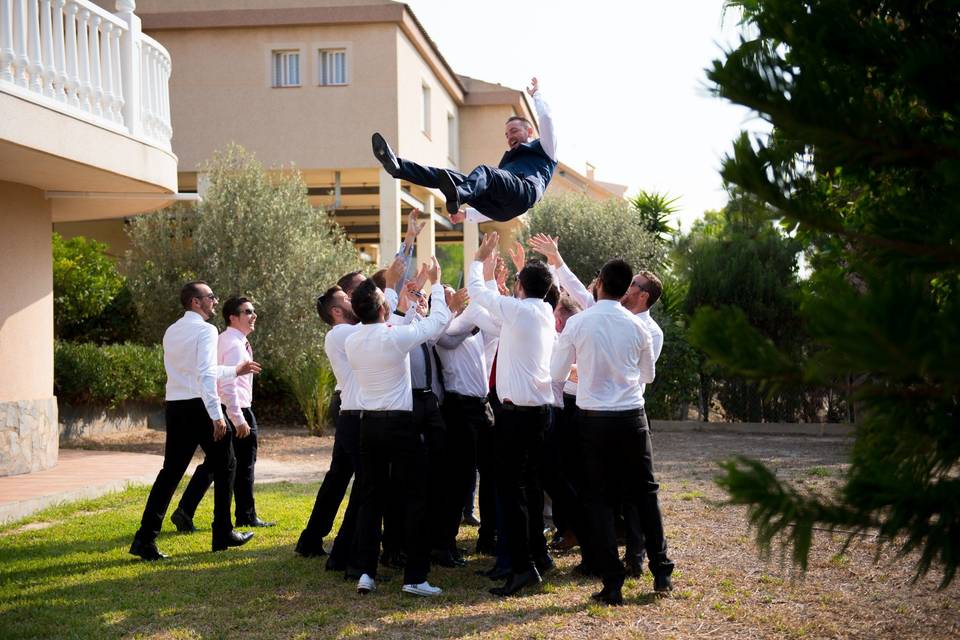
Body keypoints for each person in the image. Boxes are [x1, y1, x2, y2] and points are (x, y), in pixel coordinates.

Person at [551, 259, 674, 606]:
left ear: (601, 282)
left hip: (594, 419)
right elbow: (647, 375)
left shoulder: (579, 323)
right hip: (632, 417)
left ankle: (612, 580)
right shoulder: (640, 328)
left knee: (599, 499)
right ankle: (662, 569)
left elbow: (557, 371)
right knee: (646, 493)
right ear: (625, 289)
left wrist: (585, 370)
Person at [129, 281, 261, 560]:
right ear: (194, 302)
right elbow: (204, 375)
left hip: (176, 406)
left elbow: (201, 370)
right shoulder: (206, 330)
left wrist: (235, 370)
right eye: (210, 297)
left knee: (170, 473)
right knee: (227, 464)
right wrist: (216, 416)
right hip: (199, 406)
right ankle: (223, 533)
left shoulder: (172, 330)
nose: (215, 301)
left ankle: (145, 539)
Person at [345, 258, 451, 597]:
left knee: (370, 500)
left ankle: (366, 572)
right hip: (401, 426)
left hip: (368, 426)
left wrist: (393, 289)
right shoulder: (394, 337)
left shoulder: (353, 339)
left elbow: (382, 311)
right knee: (415, 498)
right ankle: (415, 577)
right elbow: (437, 323)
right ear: (383, 310)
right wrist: (434, 287)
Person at [468, 231, 556, 597]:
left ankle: (523, 568)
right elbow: (493, 310)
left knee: (512, 491)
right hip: (537, 413)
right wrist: (520, 274)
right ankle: (537, 554)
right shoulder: (543, 311)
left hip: (517, 417)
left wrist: (479, 259)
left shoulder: (521, 312)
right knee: (531, 489)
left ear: (520, 288)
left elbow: (479, 295)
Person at [372, 77, 557, 223]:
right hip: (502, 211)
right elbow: (492, 200)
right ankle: (399, 167)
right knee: (449, 175)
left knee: (486, 172)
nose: (510, 138)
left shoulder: (545, 149)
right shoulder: (509, 164)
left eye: (514, 131)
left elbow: (547, 118)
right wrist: (467, 215)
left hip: (525, 193)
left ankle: (458, 194)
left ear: (530, 131)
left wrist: (537, 94)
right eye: (507, 135)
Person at [171, 296, 273, 533]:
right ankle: (245, 515)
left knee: (217, 464)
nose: (253, 315)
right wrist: (238, 418)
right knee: (243, 464)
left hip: (226, 408)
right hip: (235, 409)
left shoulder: (229, 340)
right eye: (248, 311)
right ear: (232, 317)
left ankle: (185, 510)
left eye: (253, 311)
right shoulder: (234, 344)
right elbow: (229, 386)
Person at [294, 279, 364, 568]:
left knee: (338, 477)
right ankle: (343, 549)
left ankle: (311, 538)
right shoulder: (344, 332)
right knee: (360, 479)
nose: (354, 298)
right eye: (348, 296)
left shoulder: (348, 330)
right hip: (350, 407)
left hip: (347, 404)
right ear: (336, 310)